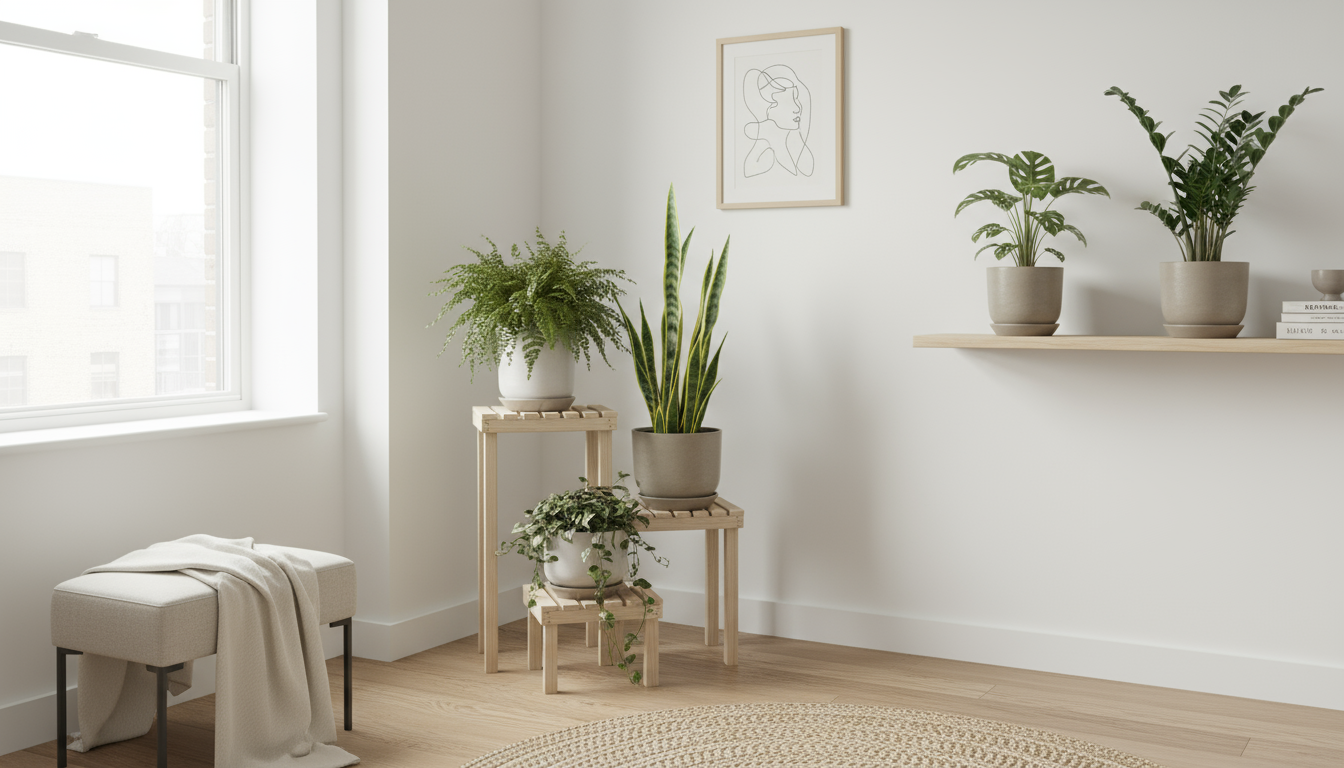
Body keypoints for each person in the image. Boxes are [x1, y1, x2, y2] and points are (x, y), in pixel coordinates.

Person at [742, 65, 815, 179]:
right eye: (786, 101)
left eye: (796, 98)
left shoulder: (794, 142)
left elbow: (808, 170)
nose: (797, 108)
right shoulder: (764, 155)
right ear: (769, 108)